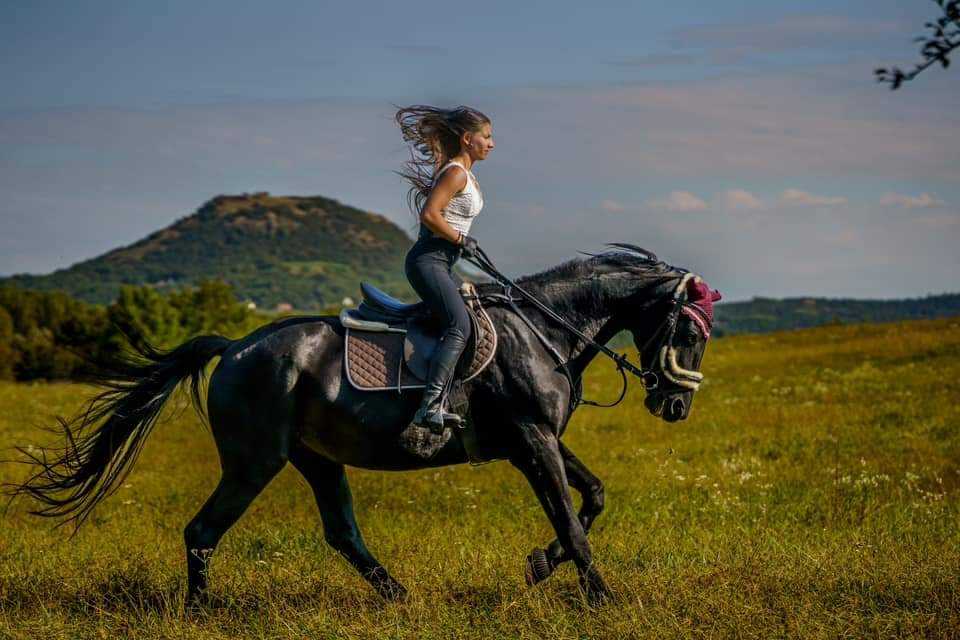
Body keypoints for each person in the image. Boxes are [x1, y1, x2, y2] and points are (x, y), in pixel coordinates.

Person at [393, 104, 494, 458]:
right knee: (459, 326)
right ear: (468, 139)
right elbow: (429, 214)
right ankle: (429, 405)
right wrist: (459, 239)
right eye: (487, 137)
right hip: (428, 261)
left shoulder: (467, 174)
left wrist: (461, 245)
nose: (492, 144)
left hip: (444, 261)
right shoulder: (455, 173)